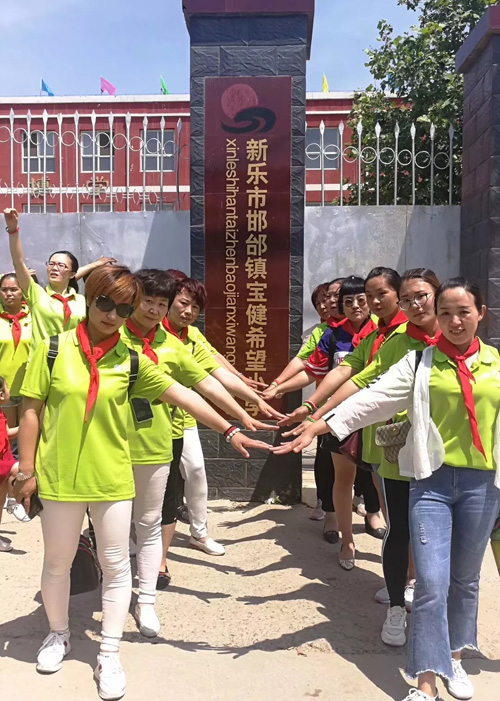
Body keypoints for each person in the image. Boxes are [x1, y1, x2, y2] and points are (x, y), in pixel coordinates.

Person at [14, 265, 271, 701]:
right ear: (90, 298)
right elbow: (30, 410)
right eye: (104, 303)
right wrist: (26, 470)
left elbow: (184, 393)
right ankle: (58, 634)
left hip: (113, 479)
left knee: (117, 565)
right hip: (58, 479)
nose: (112, 314)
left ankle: (109, 653)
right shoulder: (52, 349)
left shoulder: (132, 360)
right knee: (57, 562)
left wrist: (231, 428)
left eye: (122, 308)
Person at [273, 277, 500, 701]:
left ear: (480, 314)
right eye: (446, 313)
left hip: (481, 485)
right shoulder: (418, 362)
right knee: (431, 582)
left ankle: (454, 657)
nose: (454, 321)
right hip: (431, 482)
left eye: (463, 312)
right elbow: (371, 398)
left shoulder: (496, 364)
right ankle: (426, 682)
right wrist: (320, 425)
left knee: (466, 580)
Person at [121, 269, 274, 635]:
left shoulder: (176, 343)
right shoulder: (114, 335)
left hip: (162, 439)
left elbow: (205, 380)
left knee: (156, 515)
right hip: (114, 441)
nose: (157, 310)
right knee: (116, 521)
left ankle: (147, 596)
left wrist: (238, 419)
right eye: (150, 302)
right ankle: (116, 591)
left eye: (162, 304)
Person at [159, 277, 282, 579]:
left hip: (184, 417)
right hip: (146, 422)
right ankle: (139, 539)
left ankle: (199, 533)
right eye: (183, 303)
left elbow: (215, 374)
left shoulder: (191, 336)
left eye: (195, 307)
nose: (188, 311)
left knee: (195, 471)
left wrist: (253, 403)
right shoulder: (153, 332)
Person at [3, 208, 112, 354]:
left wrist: (97, 264)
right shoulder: (37, 295)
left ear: (72, 273)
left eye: (61, 265)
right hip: (41, 361)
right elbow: (18, 262)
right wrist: (13, 230)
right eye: (51, 264)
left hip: (72, 361)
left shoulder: (82, 301)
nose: (54, 268)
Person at [0, 273, 31, 428]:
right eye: (4, 289)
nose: (9, 294)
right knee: (7, 436)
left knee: (31, 434)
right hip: (3, 389)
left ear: (22, 291)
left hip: (29, 387)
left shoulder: (35, 316)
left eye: (14, 289)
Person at [0, 377, 20, 552]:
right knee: (18, 468)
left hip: (4, 461)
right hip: (2, 464)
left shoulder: (1, 414)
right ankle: (14, 500)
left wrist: (25, 426)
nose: (9, 392)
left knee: (0, 501)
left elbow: (7, 433)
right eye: (7, 388)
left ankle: (11, 499)